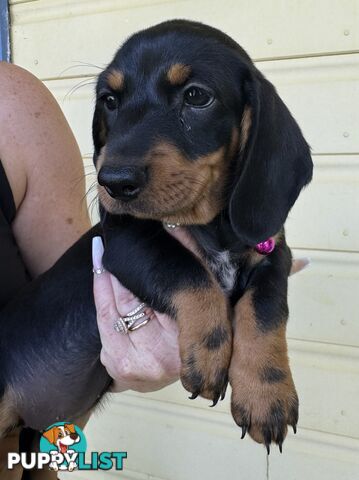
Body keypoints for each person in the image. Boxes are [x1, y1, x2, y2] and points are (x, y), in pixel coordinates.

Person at [0, 62, 307, 480]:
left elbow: (91, 292)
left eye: (195, 97)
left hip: (40, 433)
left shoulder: (12, 103)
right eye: (111, 102)